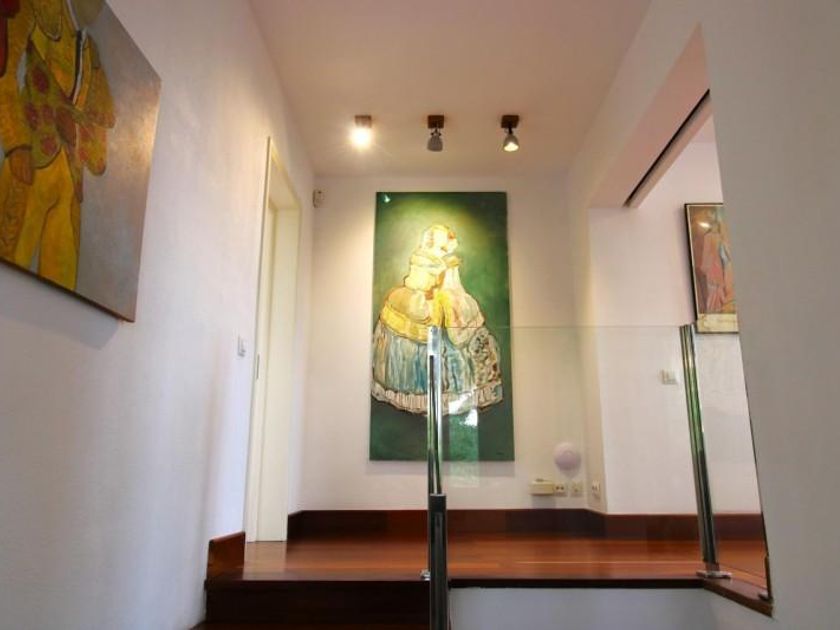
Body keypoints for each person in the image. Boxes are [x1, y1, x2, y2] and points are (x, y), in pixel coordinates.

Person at [0, 0, 114, 290]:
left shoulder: (92, 54)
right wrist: (16, 143)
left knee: (61, 287)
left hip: (69, 189)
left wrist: (77, 132)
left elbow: (100, 139)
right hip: (30, 165)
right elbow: (5, 73)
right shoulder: (38, 9)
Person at [371, 224, 503, 415]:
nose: (445, 251)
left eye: (446, 248)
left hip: (441, 300)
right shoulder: (421, 259)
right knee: (415, 321)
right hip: (421, 301)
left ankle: (452, 393)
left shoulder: (449, 263)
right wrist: (433, 288)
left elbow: (453, 287)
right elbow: (415, 282)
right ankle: (418, 393)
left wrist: (446, 291)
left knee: (456, 317)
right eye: (442, 247)